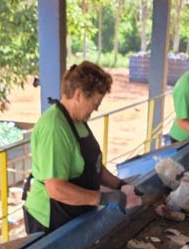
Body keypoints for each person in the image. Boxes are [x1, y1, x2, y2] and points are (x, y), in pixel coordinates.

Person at [23, 62, 141, 234]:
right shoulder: (55, 128)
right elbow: (56, 188)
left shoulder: (78, 121)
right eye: (95, 102)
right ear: (78, 95)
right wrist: (103, 197)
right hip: (50, 221)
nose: (96, 108)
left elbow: (93, 167)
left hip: (74, 213)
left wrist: (120, 185)